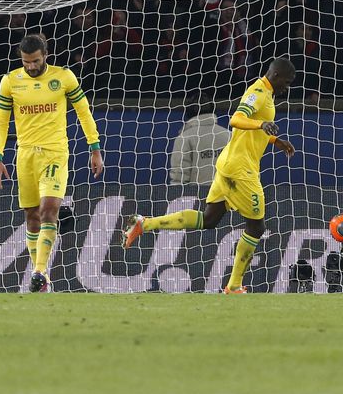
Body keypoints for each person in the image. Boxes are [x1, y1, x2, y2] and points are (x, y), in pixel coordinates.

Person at [123, 58, 296, 294]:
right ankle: (234, 286)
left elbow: (252, 128)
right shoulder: (258, 92)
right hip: (240, 170)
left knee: (209, 219)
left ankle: (145, 223)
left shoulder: (266, 93)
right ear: (275, 76)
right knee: (256, 228)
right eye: (286, 83)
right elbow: (236, 119)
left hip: (229, 164)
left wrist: (275, 140)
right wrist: (262, 125)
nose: (287, 88)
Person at [0, 33, 104, 293]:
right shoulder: (10, 81)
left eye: (35, 61)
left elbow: (83, 112)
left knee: (48, 210)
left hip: (54, 153)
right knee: (31, 217)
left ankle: (40, 271)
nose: (30, 66)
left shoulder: (63, 77)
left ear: (45, 56)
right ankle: (42, 279)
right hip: (25, 155)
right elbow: (1, 122)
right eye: (26, 62)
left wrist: (94, 147)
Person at [169, 93, 231, 185]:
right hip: (228, 196)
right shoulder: (229, 135)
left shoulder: (184, 138)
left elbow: (179, 177)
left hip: (197, 196)